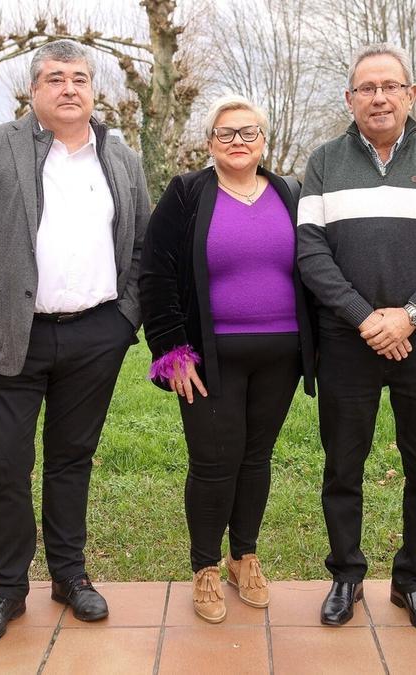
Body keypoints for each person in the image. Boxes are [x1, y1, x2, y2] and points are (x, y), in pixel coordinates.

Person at [0, 40, 149, 644]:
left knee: (71, 460)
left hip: (95, 335)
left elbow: (139, 244)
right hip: (10, 337)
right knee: (5, 465)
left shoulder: (119, 156)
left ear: (93, 89)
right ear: (33, 90)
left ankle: (69, 573)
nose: (68, 89)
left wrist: (123, 321)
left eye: (79, 78)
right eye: (54, 78)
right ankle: (6, 589)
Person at [297, 43, 416, 636]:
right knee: (343, 465)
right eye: (366, 88)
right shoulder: (323, 162)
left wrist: (411, 316)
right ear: (350, 99)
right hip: (347, 342)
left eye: (390, 86)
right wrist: (365, 318)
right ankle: (346, 574)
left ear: (410, 94)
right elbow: (310, 254)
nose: (379, 97)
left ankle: (412, 582)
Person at [139, 95, 317, 623]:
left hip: (280, 356)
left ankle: (244, 557)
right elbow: (156, 272)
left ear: (264, 140)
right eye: (225, 133)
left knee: (255, 458)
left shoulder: (290, 192)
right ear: (209, 142)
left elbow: (312, 267)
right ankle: (205, 568)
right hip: (210, 358)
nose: (237, 142)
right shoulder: (188, 193)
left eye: (248, 132)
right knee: (214, 463)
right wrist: (172, 349)